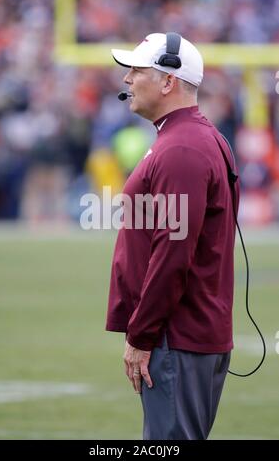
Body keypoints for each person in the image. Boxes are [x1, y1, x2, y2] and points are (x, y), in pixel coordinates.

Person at [106, 32, 239, 440]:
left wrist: (142, 334)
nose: (127, 79)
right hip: (186, 332)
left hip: (176, 335)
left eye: (138, 70)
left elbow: (173, 253)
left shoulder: (182, 147)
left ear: (168, 81)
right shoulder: (189, 137)